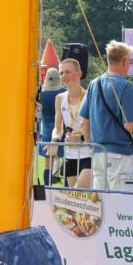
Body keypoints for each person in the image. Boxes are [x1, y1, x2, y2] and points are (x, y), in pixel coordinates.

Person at [79, 41, 133, 191]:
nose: (130, 65)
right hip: (122, 155)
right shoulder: (126, 86)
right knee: (125, 208)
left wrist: (91, 146)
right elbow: (130, 126)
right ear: (123, 61)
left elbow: (84, 121)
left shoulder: (93, 84)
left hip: (98, 153)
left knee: (102, 205)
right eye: (130, 61)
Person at [49, 58, 92, 188]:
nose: (64, 76)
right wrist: (54, 142)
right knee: (75, 203)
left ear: (79, 73)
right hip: (70, 155)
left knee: (77, 194)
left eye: (67, 72)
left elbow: (98, 127)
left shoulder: (90, 96)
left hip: (89, 153)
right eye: (61, 73)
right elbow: (57, 128)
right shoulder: (60, 98)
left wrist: (82, 138)